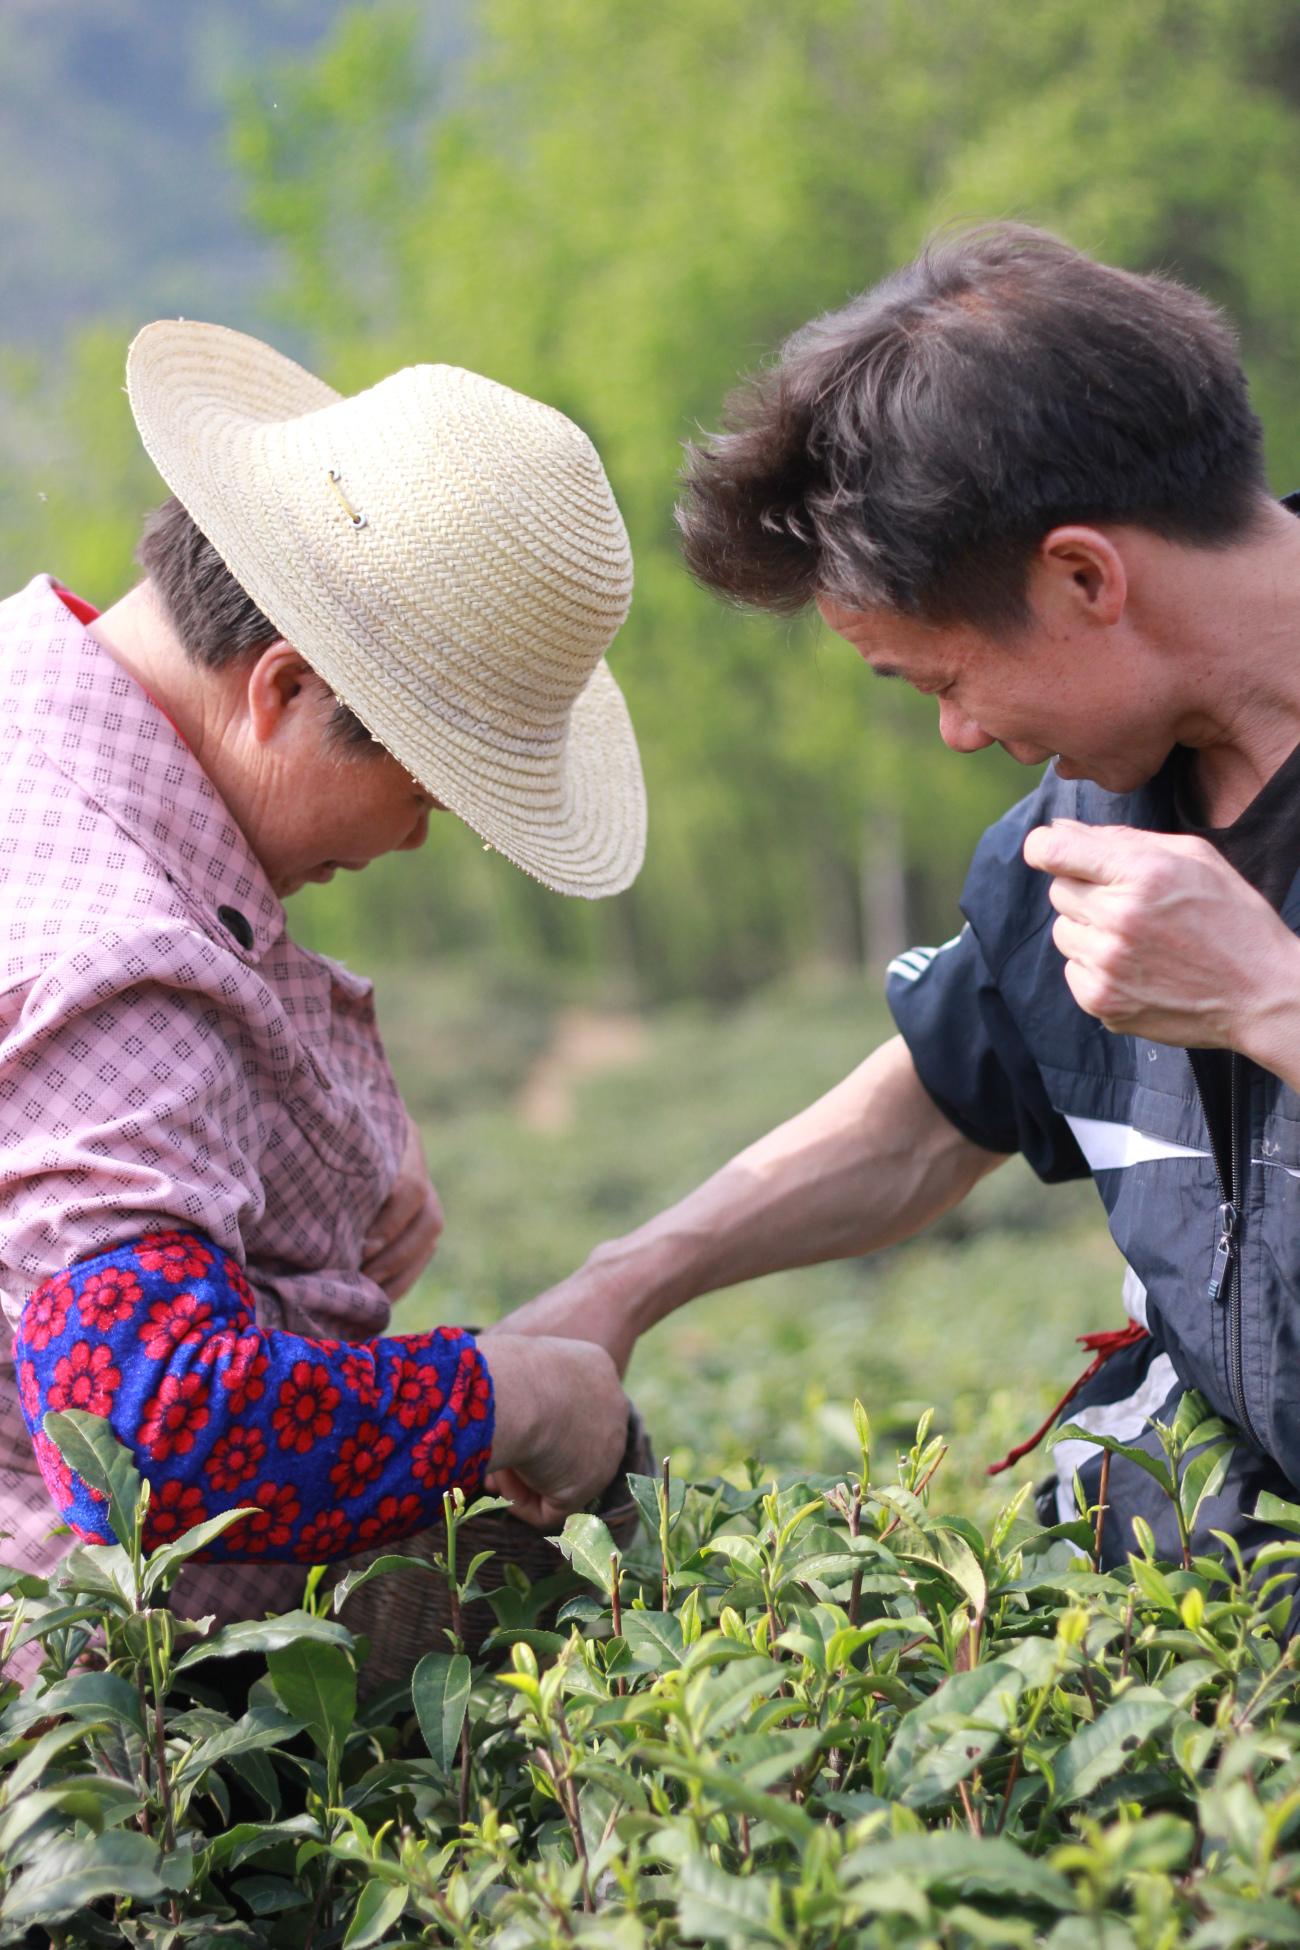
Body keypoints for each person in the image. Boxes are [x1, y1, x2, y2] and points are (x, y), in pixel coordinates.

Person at [490, 223, 1300, 1575]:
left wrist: (1270, 998)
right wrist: (621, 1285)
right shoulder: (1090, 816)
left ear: (1085, 577)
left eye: (946, 682)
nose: (961, 737)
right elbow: (934, 1111)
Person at [4, 321, 641, 1679]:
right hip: (111, 1756)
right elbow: (146, 1426)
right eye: (422, 784)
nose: (413, 837)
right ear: (286, 690)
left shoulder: (37, 698)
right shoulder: (116, 963)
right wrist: (510, 1393)